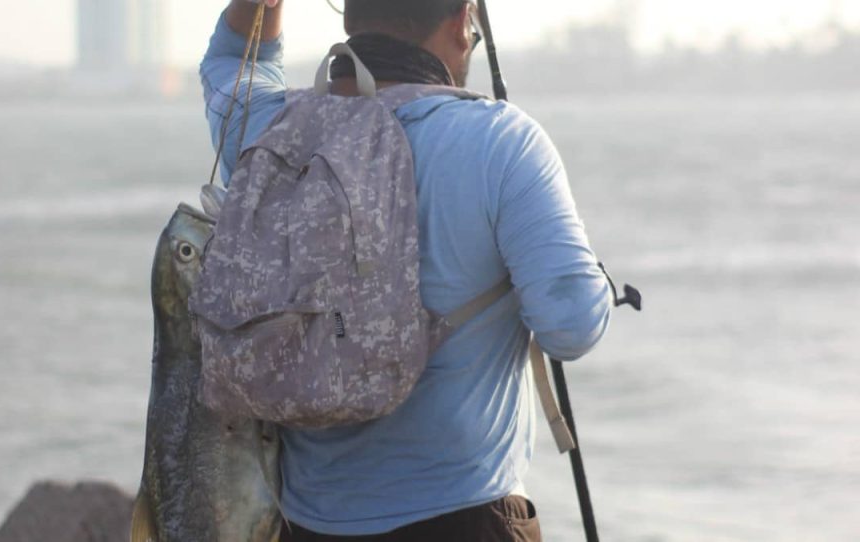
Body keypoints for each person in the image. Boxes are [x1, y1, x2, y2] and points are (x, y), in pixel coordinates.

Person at [199, 1, 612, 540]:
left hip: (310, 526)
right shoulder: (502, 142)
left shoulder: (273, 133)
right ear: (465, 21)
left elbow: (233, 60)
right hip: (468, 518)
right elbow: (571, 326)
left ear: (348, 17)